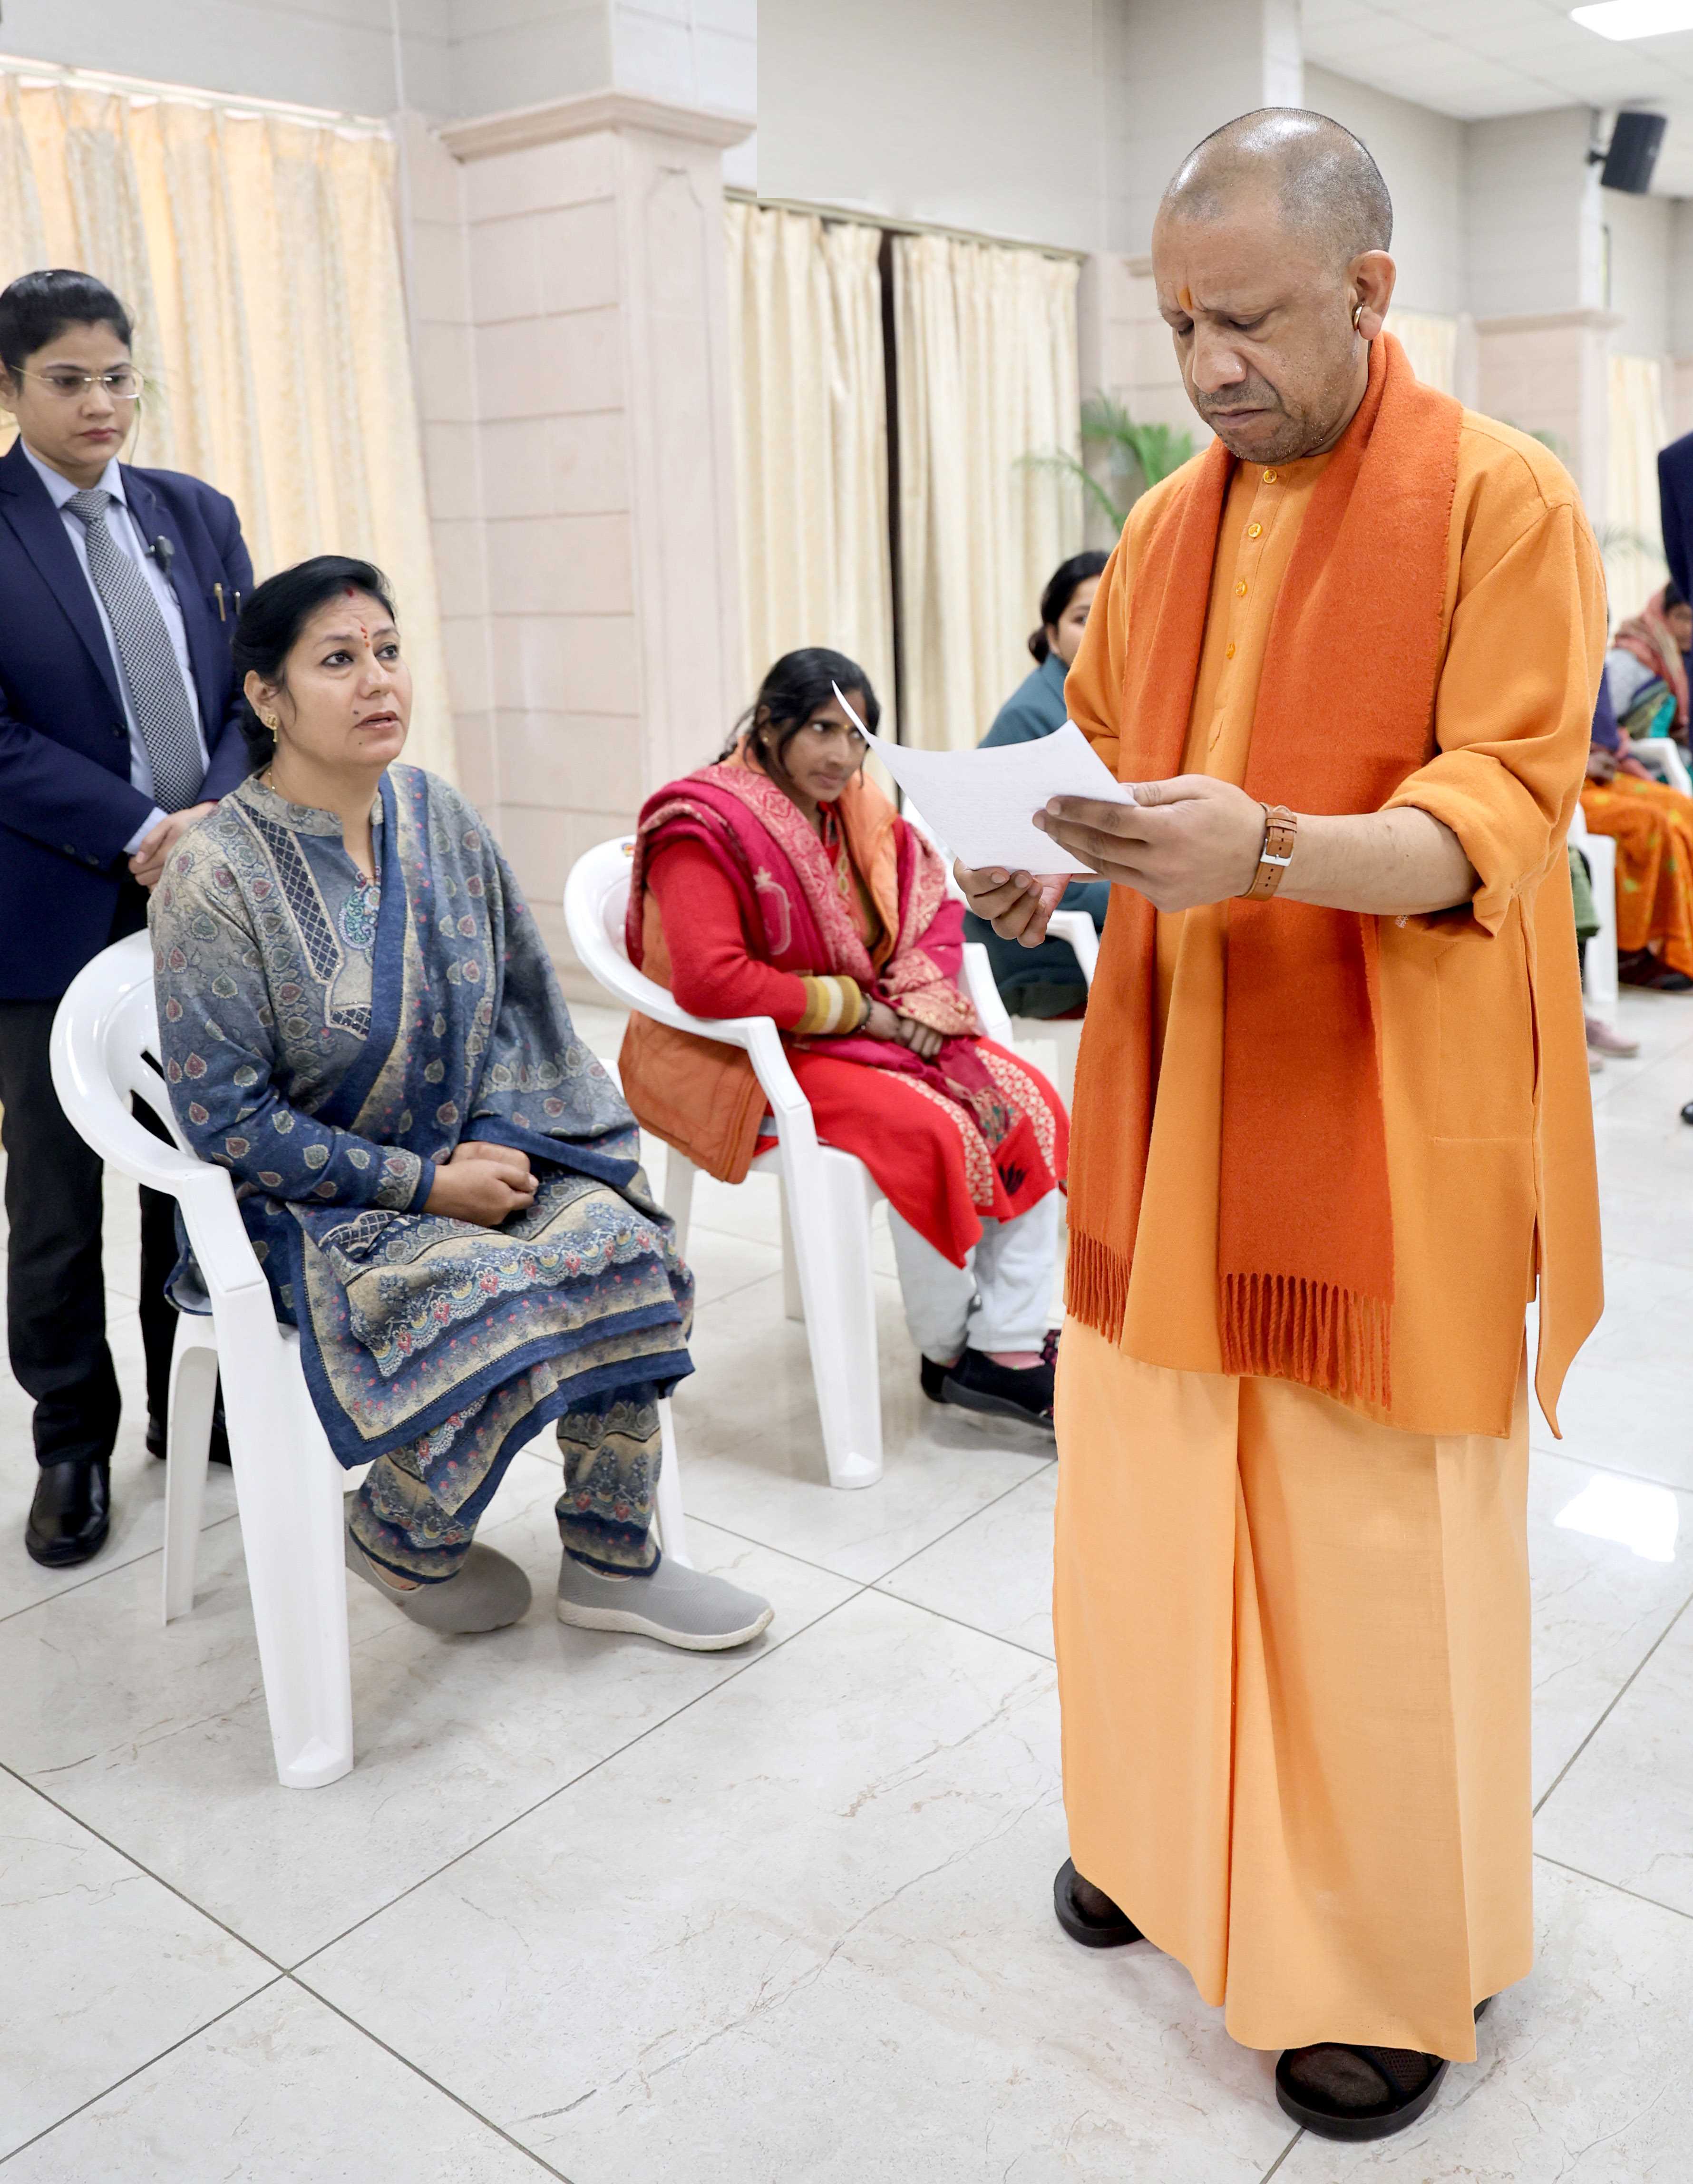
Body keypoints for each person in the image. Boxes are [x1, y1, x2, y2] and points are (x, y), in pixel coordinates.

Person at [956, 110, 1604, 2141]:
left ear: (1365, 292)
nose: (1206, 365)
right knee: (1145, 1512)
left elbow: (1500, 817)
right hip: (1166, 1094)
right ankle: (1159, 1851)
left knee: (1361, 1564)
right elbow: (1122, 767)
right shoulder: (1162, 531)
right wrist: (1038, 862)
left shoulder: (1501, 504)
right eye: (1176, 325)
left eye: (1243, 317)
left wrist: (1271, 851)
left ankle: (1372, 1961)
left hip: (1376, 1123)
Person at [149, 556, 772, 1650]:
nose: (377, 681)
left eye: (387, 652)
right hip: (301, 1207)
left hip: (468, 1154)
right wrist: (426, 1186)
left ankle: (613, 1557)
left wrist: (493, 1149)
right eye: (337, 661)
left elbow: (520, 1008)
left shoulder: (434, 814)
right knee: (494, 1289)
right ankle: (401, 1533)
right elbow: (227, 1120)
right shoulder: (216, 876)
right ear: (264, 696)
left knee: (620, 1249)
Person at [619, 649, 1068, 1433]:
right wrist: (861, 1012)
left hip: (868, 1031)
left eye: (857, 736)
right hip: (755, 1055)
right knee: (930, 1131)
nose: (841, 755)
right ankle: (953, 1349)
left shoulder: (856, 809)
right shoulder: (703, 824)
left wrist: (915, 991)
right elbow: (711, 980)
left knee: (1027, 1098)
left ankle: (1009, 1339)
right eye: (822, 729)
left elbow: (930, 902)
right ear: (769, 724)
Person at [0, 269, 253, 1570]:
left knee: (186, 1168)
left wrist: (205, 814)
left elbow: (252, 688)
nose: (101, 403)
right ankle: (70, 1442)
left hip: (200, 904)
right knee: (53, 1197)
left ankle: (185, 1406)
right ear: (12, 386)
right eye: (68, 380)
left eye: (117, 376)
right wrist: (135, 827)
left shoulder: (194, 518)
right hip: (43, 911)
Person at [966, 552, 1111, 1017]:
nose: (1100, 630)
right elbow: (1031, 871)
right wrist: (1149, 892)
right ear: (1051, 635)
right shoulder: (1029, 717)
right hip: (1039, 950)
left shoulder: (1115, 706)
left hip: (1101, 928)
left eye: (1114, 613)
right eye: (1082, 618)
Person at [1579, 686, 1693, 994]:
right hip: (1566, 782)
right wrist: (1579, 759)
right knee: (1646, 823)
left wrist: (1618, 744)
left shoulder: (1591, 652)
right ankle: (1634, 951)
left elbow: (1606, 724)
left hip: (1602, 773)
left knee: (1683, 808)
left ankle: (1682, 940)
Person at [1603, 581, 1691, 754]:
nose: (1689, 628)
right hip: (1623, 763)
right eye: (1681, 617)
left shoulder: (1679, 660)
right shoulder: (1632, 657)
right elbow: (1604, 725)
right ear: (1661, 615)